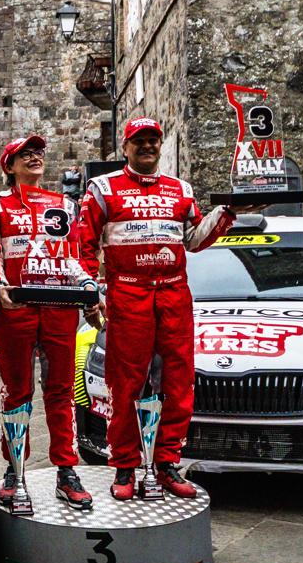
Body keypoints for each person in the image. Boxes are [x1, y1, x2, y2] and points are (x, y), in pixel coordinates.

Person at [74, 118, 234, 502]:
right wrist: (89, 292)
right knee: (124, 383)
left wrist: (228, 212)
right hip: (128, 293)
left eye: (153, 140)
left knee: (179, 382)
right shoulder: (102, 188)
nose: (147, 146)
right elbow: (84, 245)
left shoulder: (181, 189)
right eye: (139, 140)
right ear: (125, 147)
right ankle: (125, 465)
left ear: (160, 145)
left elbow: (194, 239)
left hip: (174, 292)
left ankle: (166, 463)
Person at [0, 135, 92, 510]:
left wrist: (88, 286)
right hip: (16, 309)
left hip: (60, 308)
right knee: (17, 392)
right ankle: (15, 470)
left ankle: (66, 470)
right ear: (9, 166)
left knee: (61, 392)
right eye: (24, 154)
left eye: (38, 153)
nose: (34, 158)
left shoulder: (64, 204)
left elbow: (76, 256)